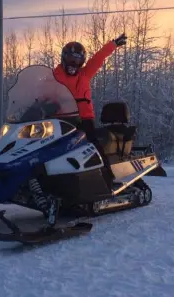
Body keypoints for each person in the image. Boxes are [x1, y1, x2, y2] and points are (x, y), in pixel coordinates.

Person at [53, 34, 127, 184]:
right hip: (61, 119)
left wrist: (112, 45)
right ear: (63, 58)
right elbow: (42, 91)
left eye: (77, 59)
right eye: (70, 58)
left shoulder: (85, 74)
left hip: (84, 119)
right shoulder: (55, 76)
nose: (73, 63)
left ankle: (107, 177)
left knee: (92, 145)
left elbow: (98, 59)